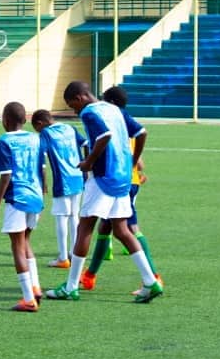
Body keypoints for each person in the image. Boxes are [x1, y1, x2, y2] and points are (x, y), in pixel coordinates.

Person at [45, 81, 163, 304]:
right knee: (122, 230)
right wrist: (133, 161)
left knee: (85, 227)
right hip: (123, 178)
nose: (75, 111)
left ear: (80, 97)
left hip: (102, 178)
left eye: (72, 105)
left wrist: (89, 162)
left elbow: (104, 135)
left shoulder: (90, 113)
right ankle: (150, 281)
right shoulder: (114, 109)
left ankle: (71, 287)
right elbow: (142, 132)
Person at [81, 85, 160, 294]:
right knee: (106, 227)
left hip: (120, 182)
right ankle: (90, 275)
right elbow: (138, 157)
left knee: (129, 228)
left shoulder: (115, 121)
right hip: (127, 180)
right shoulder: (123, 120)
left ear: (112, 103)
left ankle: (153, 276)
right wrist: (137, 167)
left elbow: (128, 149)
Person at [0, 102, 45, 312]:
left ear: (5, 120)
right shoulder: (36, 138)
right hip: (35, 196)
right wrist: (43, 194)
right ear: (25, 119)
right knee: (26, 241)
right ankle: (36, 287)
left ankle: (28, 299)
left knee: (17, 246)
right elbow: (42, 169)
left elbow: (6, 176)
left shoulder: (4, 141)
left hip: (17, 198)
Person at [31, 108, 87, 270]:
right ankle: (74, 253)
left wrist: (43, 183)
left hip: (63, 180)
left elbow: (41, 161)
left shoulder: (46, 134)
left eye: (36, 128)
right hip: (78, 176)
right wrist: (86, 164)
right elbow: (85, 143)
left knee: (61, 217)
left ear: (40, 123)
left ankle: (63, 258)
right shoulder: (70, 127)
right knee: (74, 216)